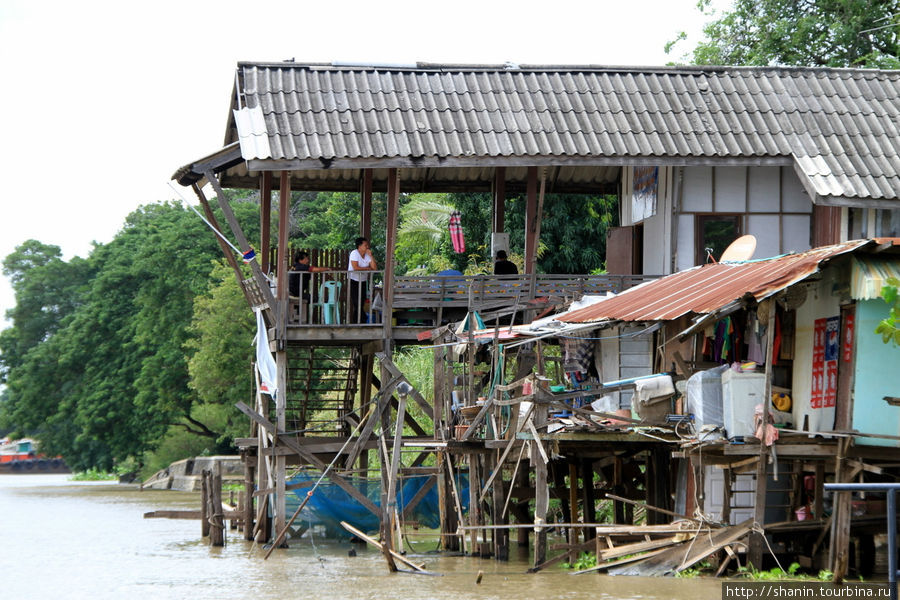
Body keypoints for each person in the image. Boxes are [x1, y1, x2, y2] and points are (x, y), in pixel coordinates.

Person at [348, 237, 377, 323]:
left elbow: (374, 268)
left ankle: (358, 321)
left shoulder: (367, 255)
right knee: (357, 302)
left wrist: (371, 256)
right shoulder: (354, 253)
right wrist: (368, 268)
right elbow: (355, 267)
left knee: (362, 302)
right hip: (354, 280)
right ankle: (361, 320)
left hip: (363, 281)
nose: (367, 247)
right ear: (359, 246)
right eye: (365, 245)